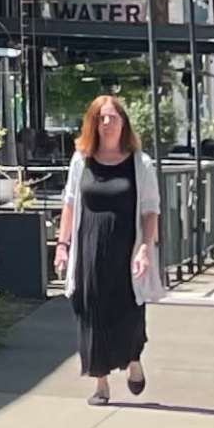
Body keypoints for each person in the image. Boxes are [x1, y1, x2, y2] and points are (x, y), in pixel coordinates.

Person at [53, 94, 162, 404]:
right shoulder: (81, 159)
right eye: (100, 118)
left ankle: (133, 360)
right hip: (88, 252)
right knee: (91, 313)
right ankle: (100, 384)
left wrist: (145, 249)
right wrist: (62, 245)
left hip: (125, 252)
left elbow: (151, 209)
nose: (106, 123)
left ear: (123, 122)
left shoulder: (139, 163)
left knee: (128, 313)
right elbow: (70, 204)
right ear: (93, 123)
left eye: (112, 117)